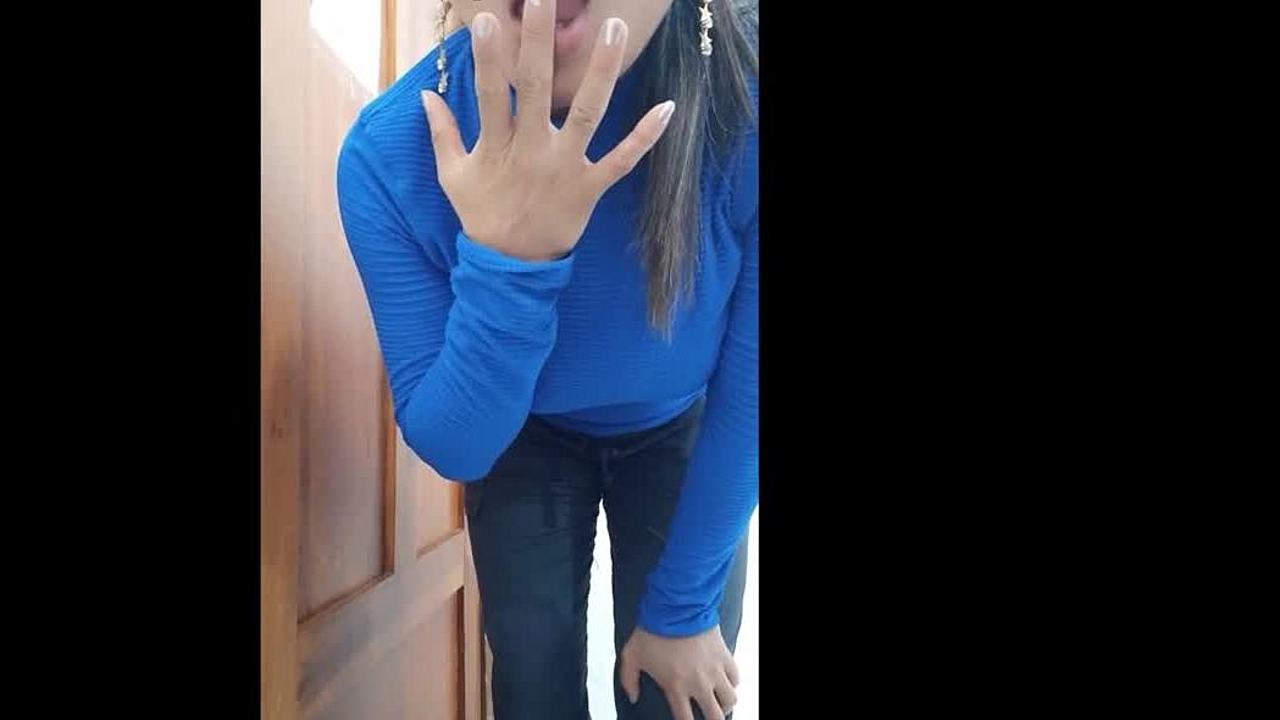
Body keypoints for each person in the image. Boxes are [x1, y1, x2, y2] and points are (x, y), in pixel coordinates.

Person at [336, 1, 757, 717]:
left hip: (686, 428)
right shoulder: (386, 153)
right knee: (531, 683)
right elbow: (456, 445)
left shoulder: (741, 101)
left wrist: (684, 607)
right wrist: (510, 263)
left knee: (678, 690)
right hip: (524, 435)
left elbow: (749, 393)